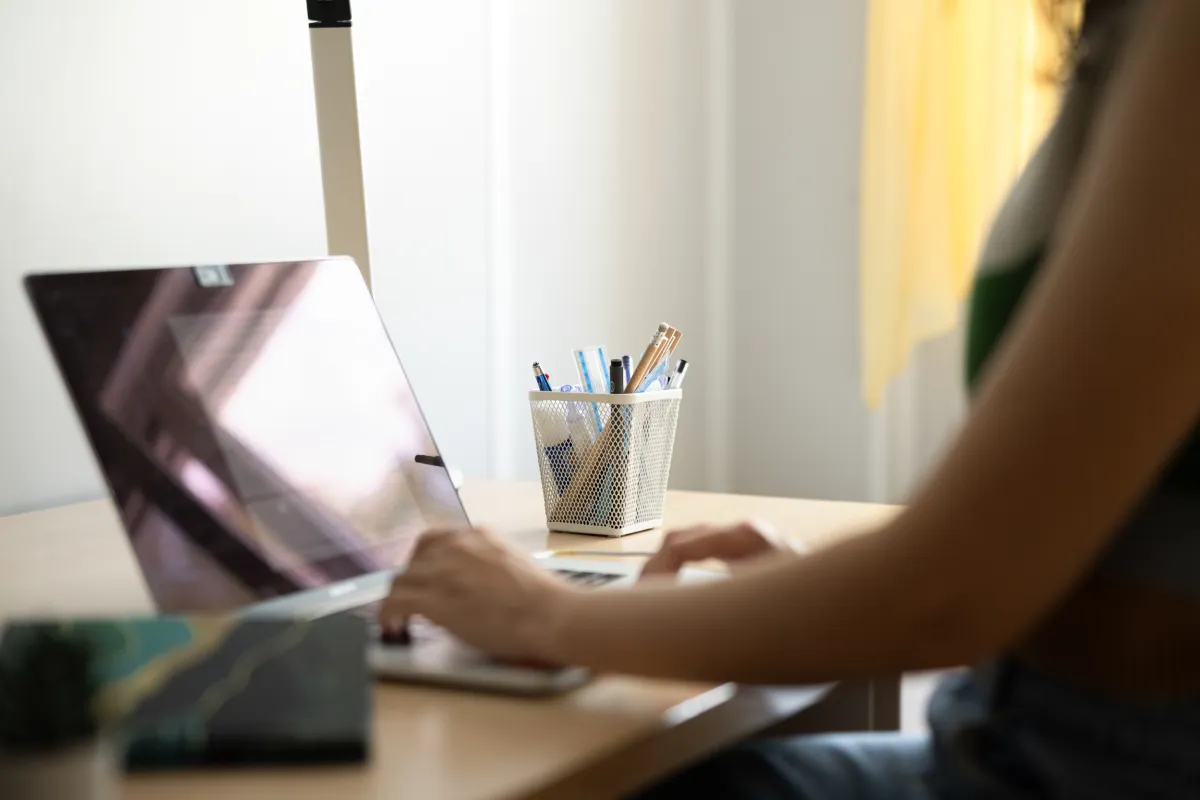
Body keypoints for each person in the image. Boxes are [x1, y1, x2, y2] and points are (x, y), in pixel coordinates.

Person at [380, 0, 1200, 795]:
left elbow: (949, 596)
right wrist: (806, 596)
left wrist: (545, 618)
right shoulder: (1132, 31)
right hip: (1016, 738)